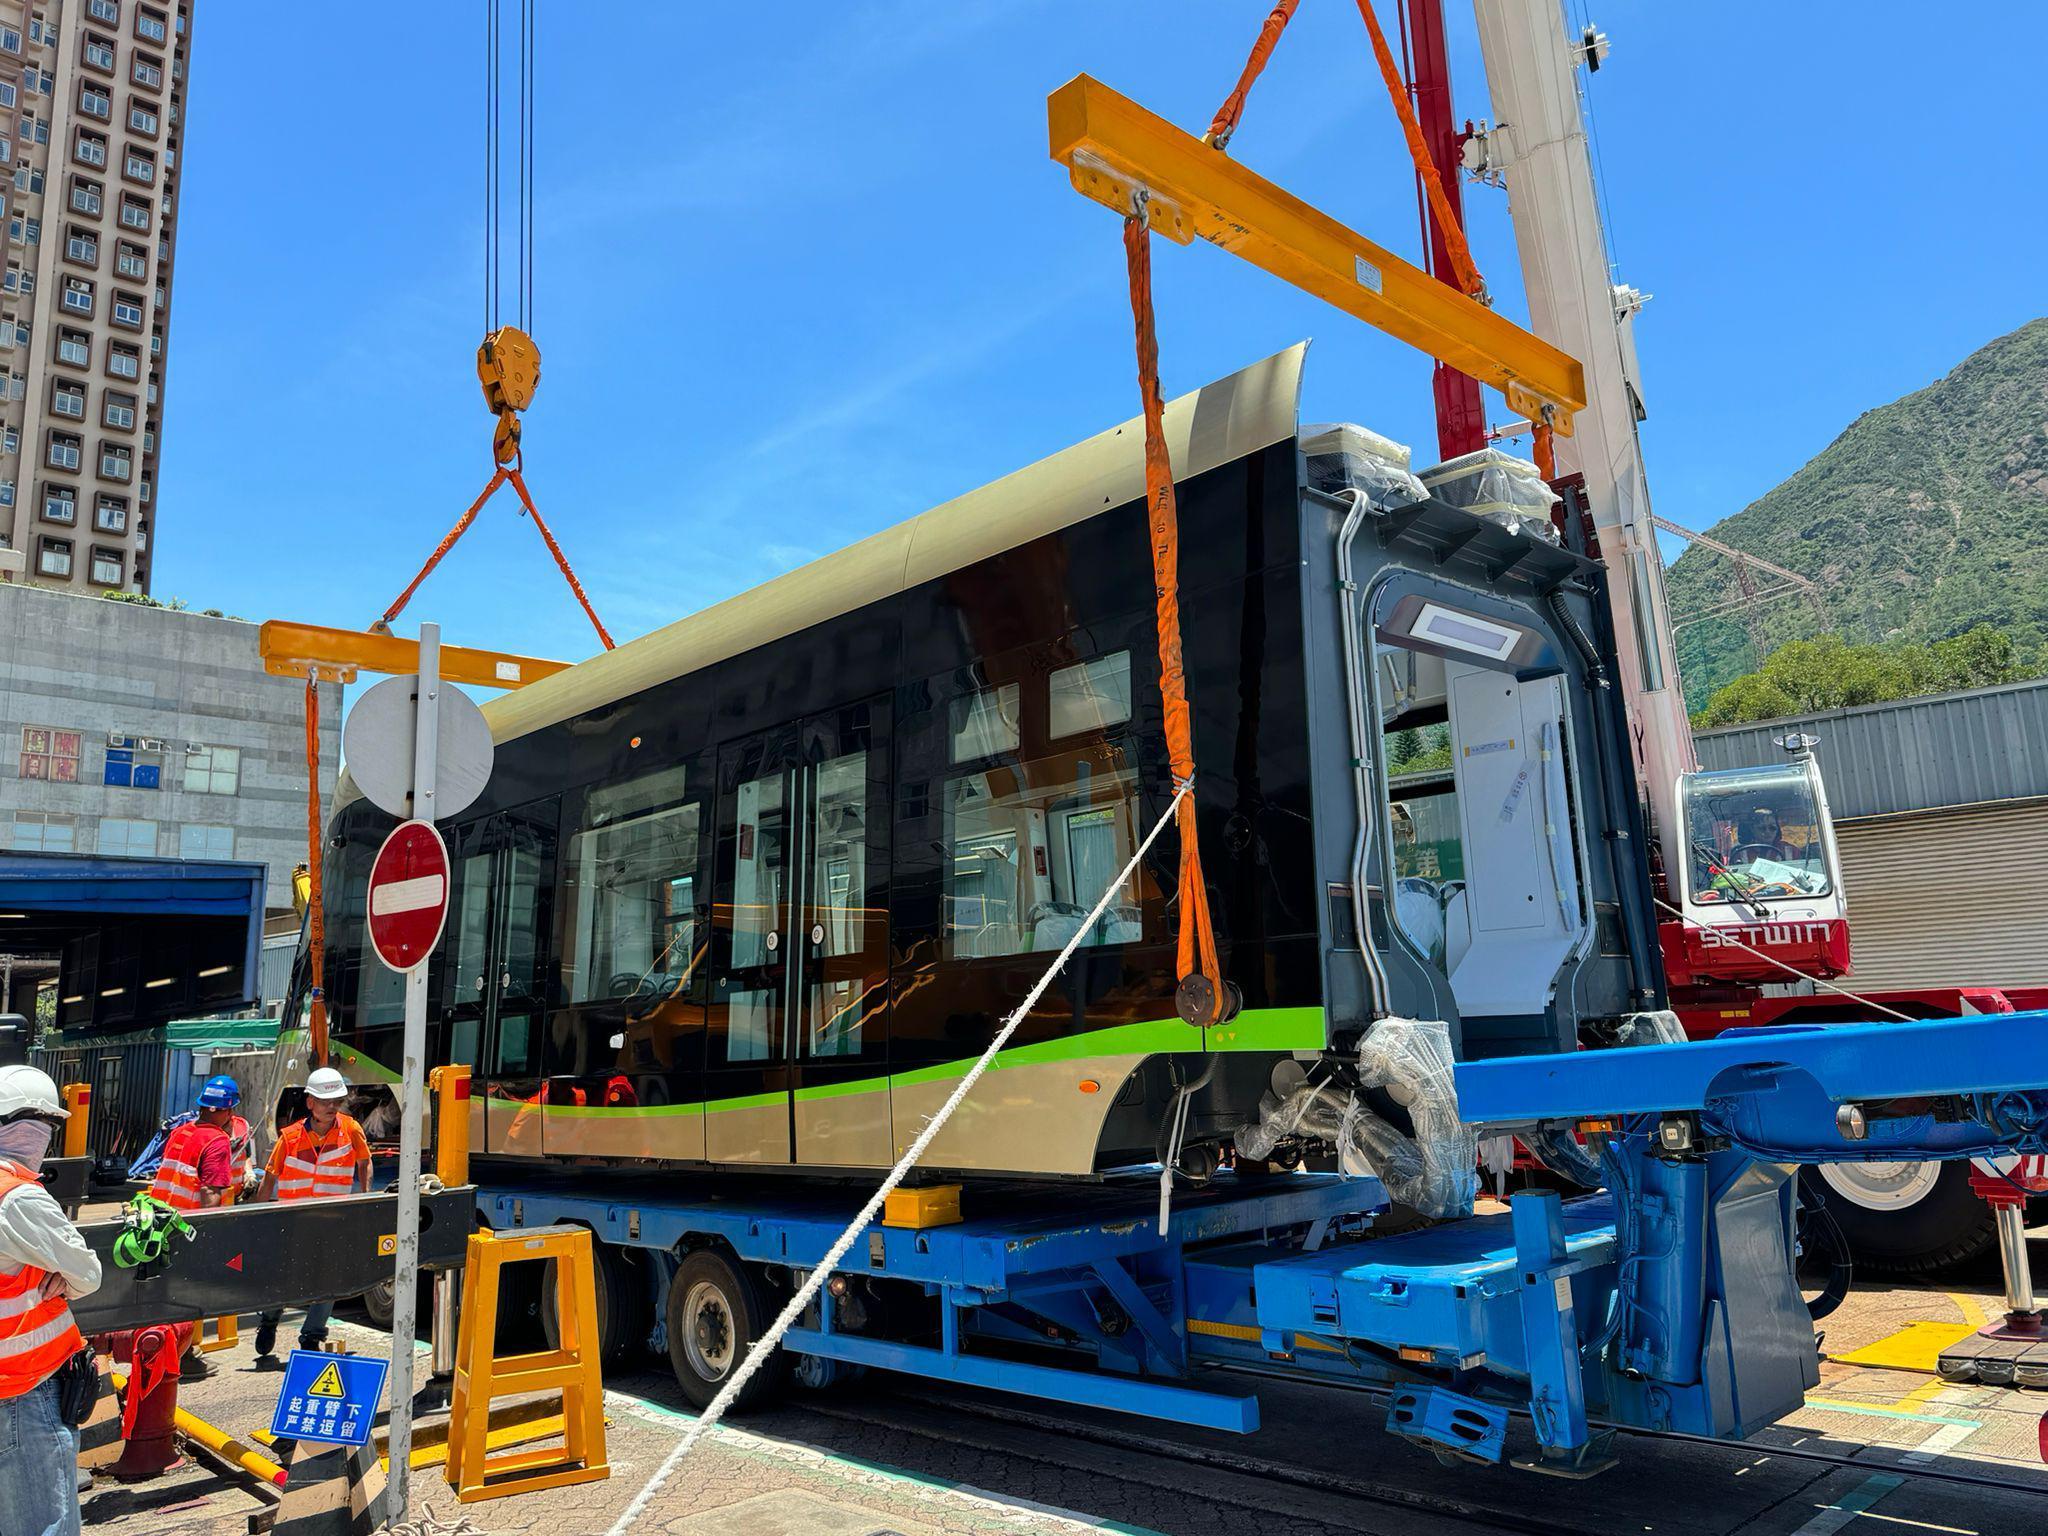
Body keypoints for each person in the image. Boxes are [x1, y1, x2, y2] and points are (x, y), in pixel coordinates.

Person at [0, 1065, 101, 1536]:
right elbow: (88, 1273)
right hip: (24, 1388)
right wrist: (64, 1275)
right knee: (46, 1524)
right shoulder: (18, 1198)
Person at [252, 1068, 371, 1358]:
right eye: (324, 1101)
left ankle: (312, 1336)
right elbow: (269, 1178)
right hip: (291, 1223)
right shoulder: (290, 1137)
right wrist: (256, 1217)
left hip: (332, 1222)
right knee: (282, 1279)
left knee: (328, 1282)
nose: (331, 1107)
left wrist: (365, 1201)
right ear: (310, 1103)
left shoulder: (351, 1129)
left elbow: (365, 1162)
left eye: (336, 1101)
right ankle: (269, 1321)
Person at [147, 1075, 242, 1379]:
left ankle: (164, 1353)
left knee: (164, 1292)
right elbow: (211, 1192)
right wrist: (208, 1233)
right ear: (227, 1112)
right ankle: (180, 1358)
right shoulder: (217, 1141)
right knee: (186, 1297)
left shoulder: (180, 1132)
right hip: (186, 1225)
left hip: (160, 1220)